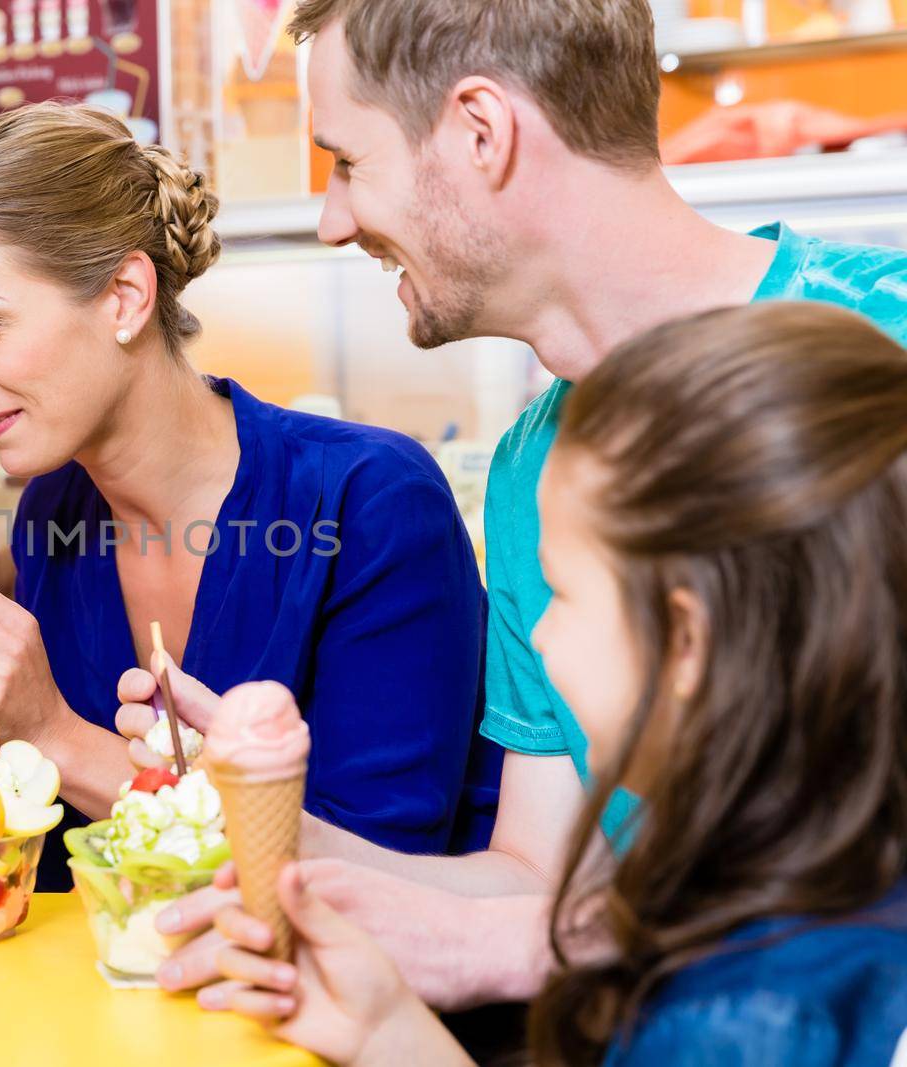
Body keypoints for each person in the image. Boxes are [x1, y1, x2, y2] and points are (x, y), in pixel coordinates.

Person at [124, 0, 907, 1005]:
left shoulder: (881, 346)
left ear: (480, 133)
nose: (330, 219)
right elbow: (545, 881)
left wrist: (546, 949)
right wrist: (253, 807)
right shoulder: (529, 469)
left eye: (348, 162)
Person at [210, 302, 907, 1065]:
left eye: (562, 593)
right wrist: (386, 1031)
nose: (538, 635)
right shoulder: (827, 891)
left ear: (685, 639)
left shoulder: (730, 1018)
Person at [0, 102, 501, 890]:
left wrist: (55, 736)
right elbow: (81, 871)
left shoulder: (371, 504)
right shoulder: (55, 513)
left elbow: (379, 876)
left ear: (124, 296)